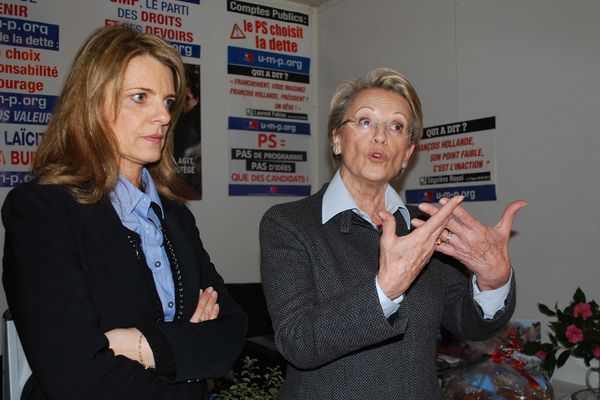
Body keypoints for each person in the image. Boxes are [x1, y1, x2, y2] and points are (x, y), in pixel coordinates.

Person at [2, 25, 247, 400]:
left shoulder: (175, 215)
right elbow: (77, 376)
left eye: (167, 101)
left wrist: (139, 345)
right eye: (139, 97)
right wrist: (188, 350)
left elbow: (230, 332)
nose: (163, 116)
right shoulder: (42, 209)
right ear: (92, 103)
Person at [260, 67, 527, 399]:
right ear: (337, 138)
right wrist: (385, 288)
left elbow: (469, 325)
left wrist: (494, 278)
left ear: (407, 153)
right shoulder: (290, 224)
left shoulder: (424, 228)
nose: (381, 136)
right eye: (365, 121)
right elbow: (297, 342)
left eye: (396, 126)